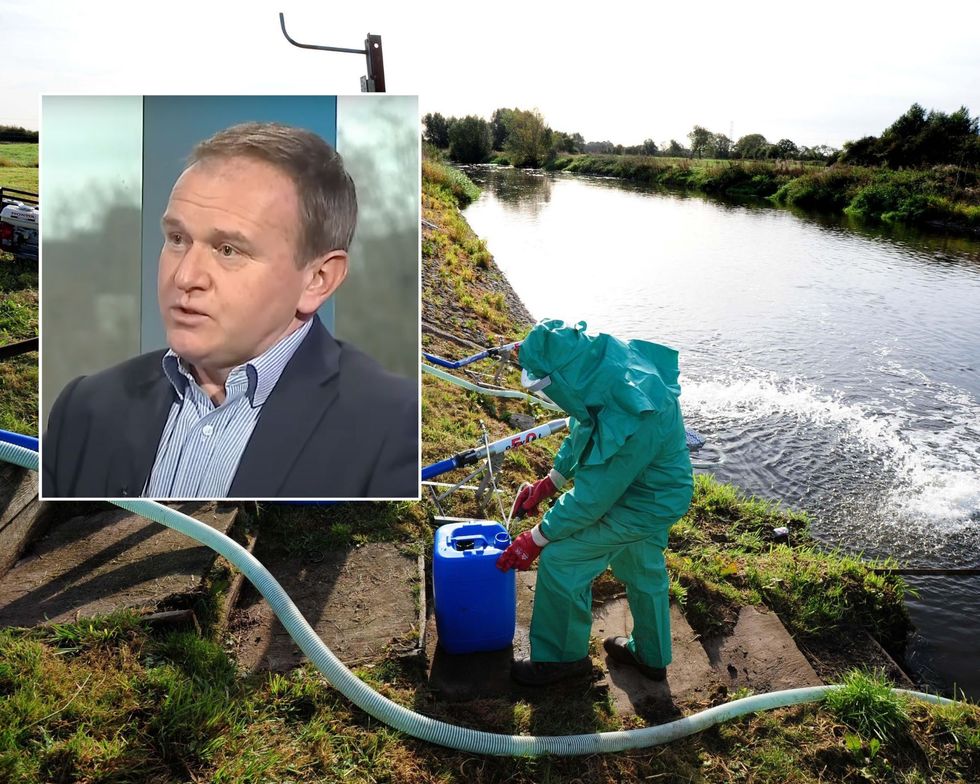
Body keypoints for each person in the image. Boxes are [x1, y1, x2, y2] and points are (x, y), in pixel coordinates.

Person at [42, 122, 418, 499]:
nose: (185, 276)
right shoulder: (84, 410)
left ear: (318, 279)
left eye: (228, 250)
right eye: (177, 239)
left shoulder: (393, 431)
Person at [497, 319, 694, 686]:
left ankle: (561, 662)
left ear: (561, 377)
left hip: (644, 501)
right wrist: (550, 482)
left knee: (562, 558)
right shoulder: (600, 367)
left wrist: (536, 539)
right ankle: (651, 657)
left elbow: (591, 501)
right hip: (659, 490)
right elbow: (586, 424)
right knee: (642, 566)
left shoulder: (634, 411)